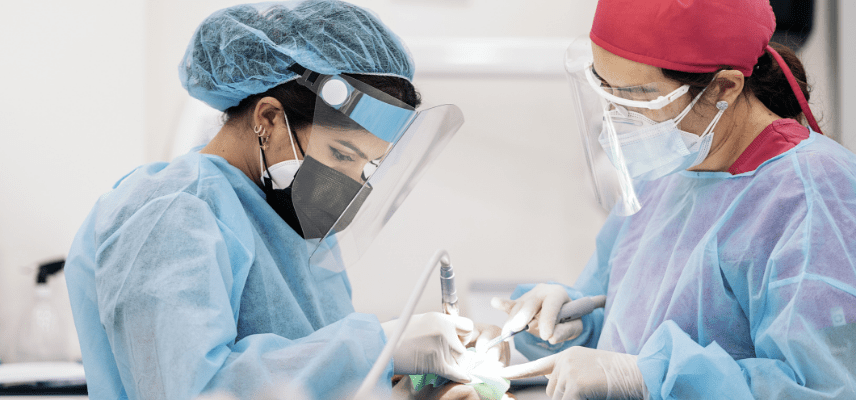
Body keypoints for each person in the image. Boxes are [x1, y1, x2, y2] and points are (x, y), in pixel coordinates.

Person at [64, 2, 506, 399]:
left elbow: (313, 375)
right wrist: (380, 346)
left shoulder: (291, 224)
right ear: (270, 119)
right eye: (341, 155)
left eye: (367, 169)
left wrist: (405, 391)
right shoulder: (172, 213)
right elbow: (191, 389)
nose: (350, 185)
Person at [494, 0, 856, 398]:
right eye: (608, 91)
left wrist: (647, 378)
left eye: (637, 98)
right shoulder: (671, 168)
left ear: (724, 88)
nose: (619, 117)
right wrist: (573, 323)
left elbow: (822, 386)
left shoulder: (812, 193)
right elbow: (629, 328)